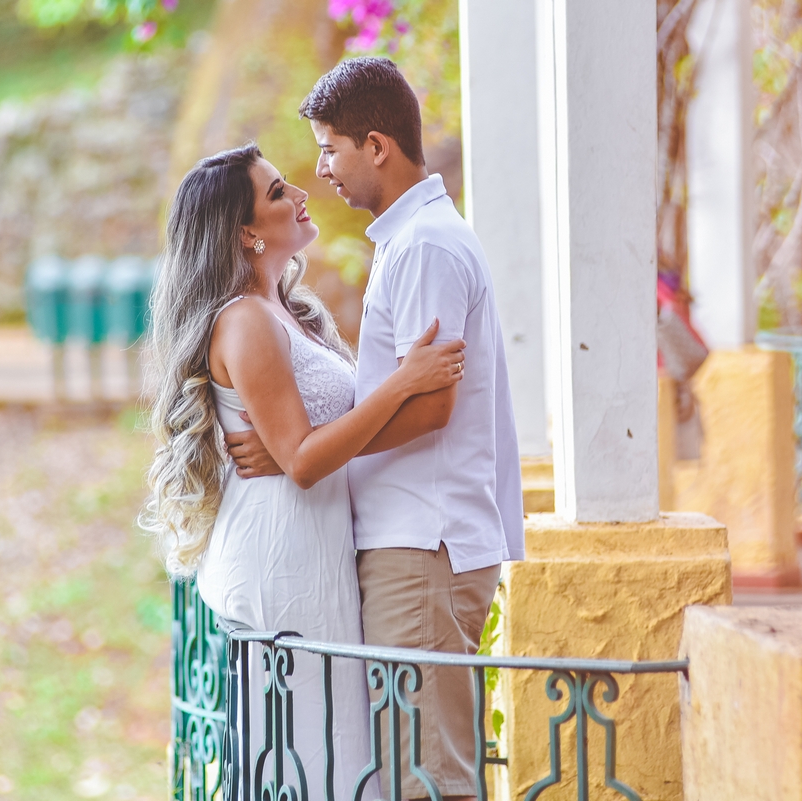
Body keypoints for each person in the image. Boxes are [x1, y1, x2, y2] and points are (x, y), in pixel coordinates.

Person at [226, 57, 525, 801]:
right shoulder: (409, 239)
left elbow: (429, 405)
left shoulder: (422, 245)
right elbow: (397, 394)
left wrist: (306, 453)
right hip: (410, 541)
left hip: (422, 543)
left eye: (330, 148)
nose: (321, 168)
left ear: (377, 146)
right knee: (414, 767)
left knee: (429, 778)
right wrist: (300, 442)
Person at [141, 143, 466, 800]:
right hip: (277, 562)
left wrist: (304, 448)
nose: (301, 196)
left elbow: (305, 447)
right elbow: (305, 460)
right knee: (303, 759)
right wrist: (403, 382)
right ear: (246, 232)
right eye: (279, 193)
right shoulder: (244, 321)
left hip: (311, 551)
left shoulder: (289, 314)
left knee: (331, 753)